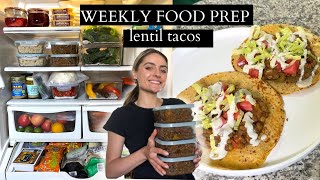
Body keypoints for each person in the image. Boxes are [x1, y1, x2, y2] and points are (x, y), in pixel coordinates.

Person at [104, 48, 202, 179]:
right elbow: (111, 171)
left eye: (163, 70)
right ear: (135, 73)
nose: (157, 74)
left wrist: (195, 150)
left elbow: (190, 142)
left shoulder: (177, 105)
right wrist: (145, 153)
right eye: (149, 68)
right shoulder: (121, 116)